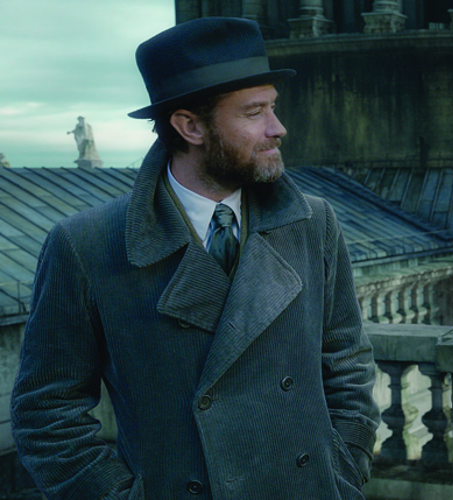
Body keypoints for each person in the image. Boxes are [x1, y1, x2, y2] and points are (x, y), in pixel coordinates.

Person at [11, 18, 379, 499]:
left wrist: (341, 470)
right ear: (190, 126)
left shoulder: (313, 223)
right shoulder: (87, 244)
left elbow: (347, 360)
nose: (278, 128)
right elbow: (46, 412)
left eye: (273, 107)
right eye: (254, 113)